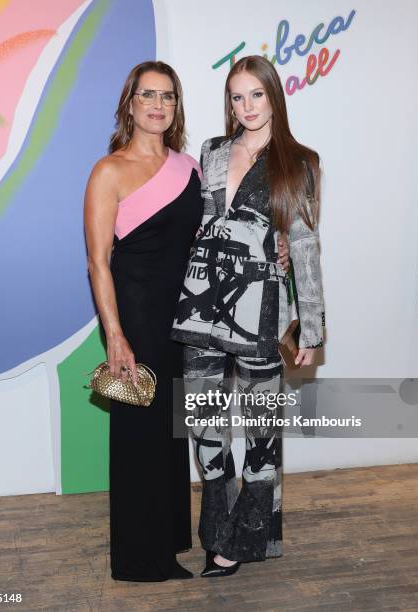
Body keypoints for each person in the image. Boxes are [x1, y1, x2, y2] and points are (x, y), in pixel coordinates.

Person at [170, 55, 325, 578]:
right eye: (236, 97)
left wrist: (311, 324)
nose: (246, 106)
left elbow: (303, 244)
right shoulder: (213, 151)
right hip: (202, 303)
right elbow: (206, 219)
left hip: (261, 311)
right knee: (205, 423)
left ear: (274, 96)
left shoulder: (298, 160)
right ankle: (218, 531)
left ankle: (242, 541)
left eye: (255, 94)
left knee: (261, 431)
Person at [83, 61, 204, 582]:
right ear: (129, 103)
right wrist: (115, 336)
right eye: (148, 95)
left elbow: (211, 240)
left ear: (176, 107)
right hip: (135, 317)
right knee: (140, 435)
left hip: (183, 320)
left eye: (169, 97)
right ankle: (139, 558)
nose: (159, 105)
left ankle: (170, 539)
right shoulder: (108, 171)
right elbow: (97, 261)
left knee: (172, 435)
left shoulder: (191, 167)